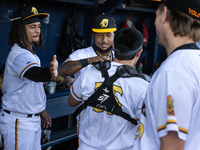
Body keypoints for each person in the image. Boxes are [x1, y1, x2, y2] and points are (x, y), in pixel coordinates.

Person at [67, 28, 149, 150]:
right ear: (139, 52)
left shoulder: (91, 72)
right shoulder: (143, 87)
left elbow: (71, 101)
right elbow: (146, 129)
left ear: (114, 46)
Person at [134, 0, 200, 150]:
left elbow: (173, 147)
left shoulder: (174, 71)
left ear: (164, 14)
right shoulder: (193, 62)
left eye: (156, 13)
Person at [0, 5, 58, 150]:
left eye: (39, 26)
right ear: (20, 28)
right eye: (32, 26)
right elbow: (34, 74)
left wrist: (40, 110)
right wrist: (49, 71)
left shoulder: (31, 55)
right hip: (19, 121)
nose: (38, 30)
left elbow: (32, 87)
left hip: (30, 119)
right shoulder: (19, 54)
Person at [59, 13, 117, 79]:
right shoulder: (81, 54)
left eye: (108, 35)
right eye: (99, 35)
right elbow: (62, 71)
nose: (104, 40)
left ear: (113, 35)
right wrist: (88, 61)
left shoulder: (117, 57)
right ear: (93, 35)